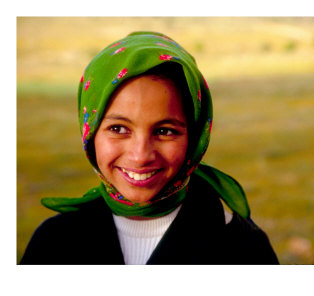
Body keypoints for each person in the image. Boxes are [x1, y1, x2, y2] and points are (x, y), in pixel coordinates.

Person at [20, 31, 279, 265]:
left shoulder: (242, 249)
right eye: (118, 128)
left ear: (196, 136)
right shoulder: (54, 243)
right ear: (90, 130)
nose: (141, 155)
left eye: (165, 131)